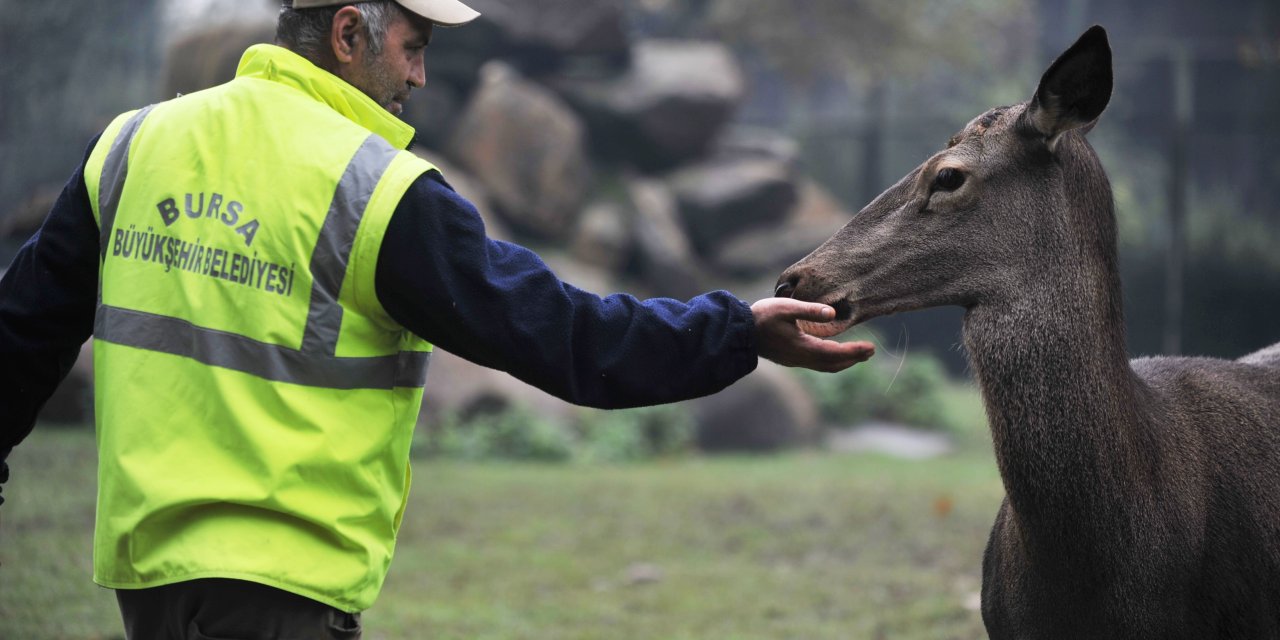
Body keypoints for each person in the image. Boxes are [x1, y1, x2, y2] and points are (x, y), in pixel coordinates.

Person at [0, 1, 874, 637]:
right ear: (348, 35)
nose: (420, 75)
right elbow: (566, 336)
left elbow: (22, 330)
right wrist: (737, 331)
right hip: (285, 591)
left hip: (146, 585)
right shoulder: (377, 191)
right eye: (413, 47)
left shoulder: (132, 145)